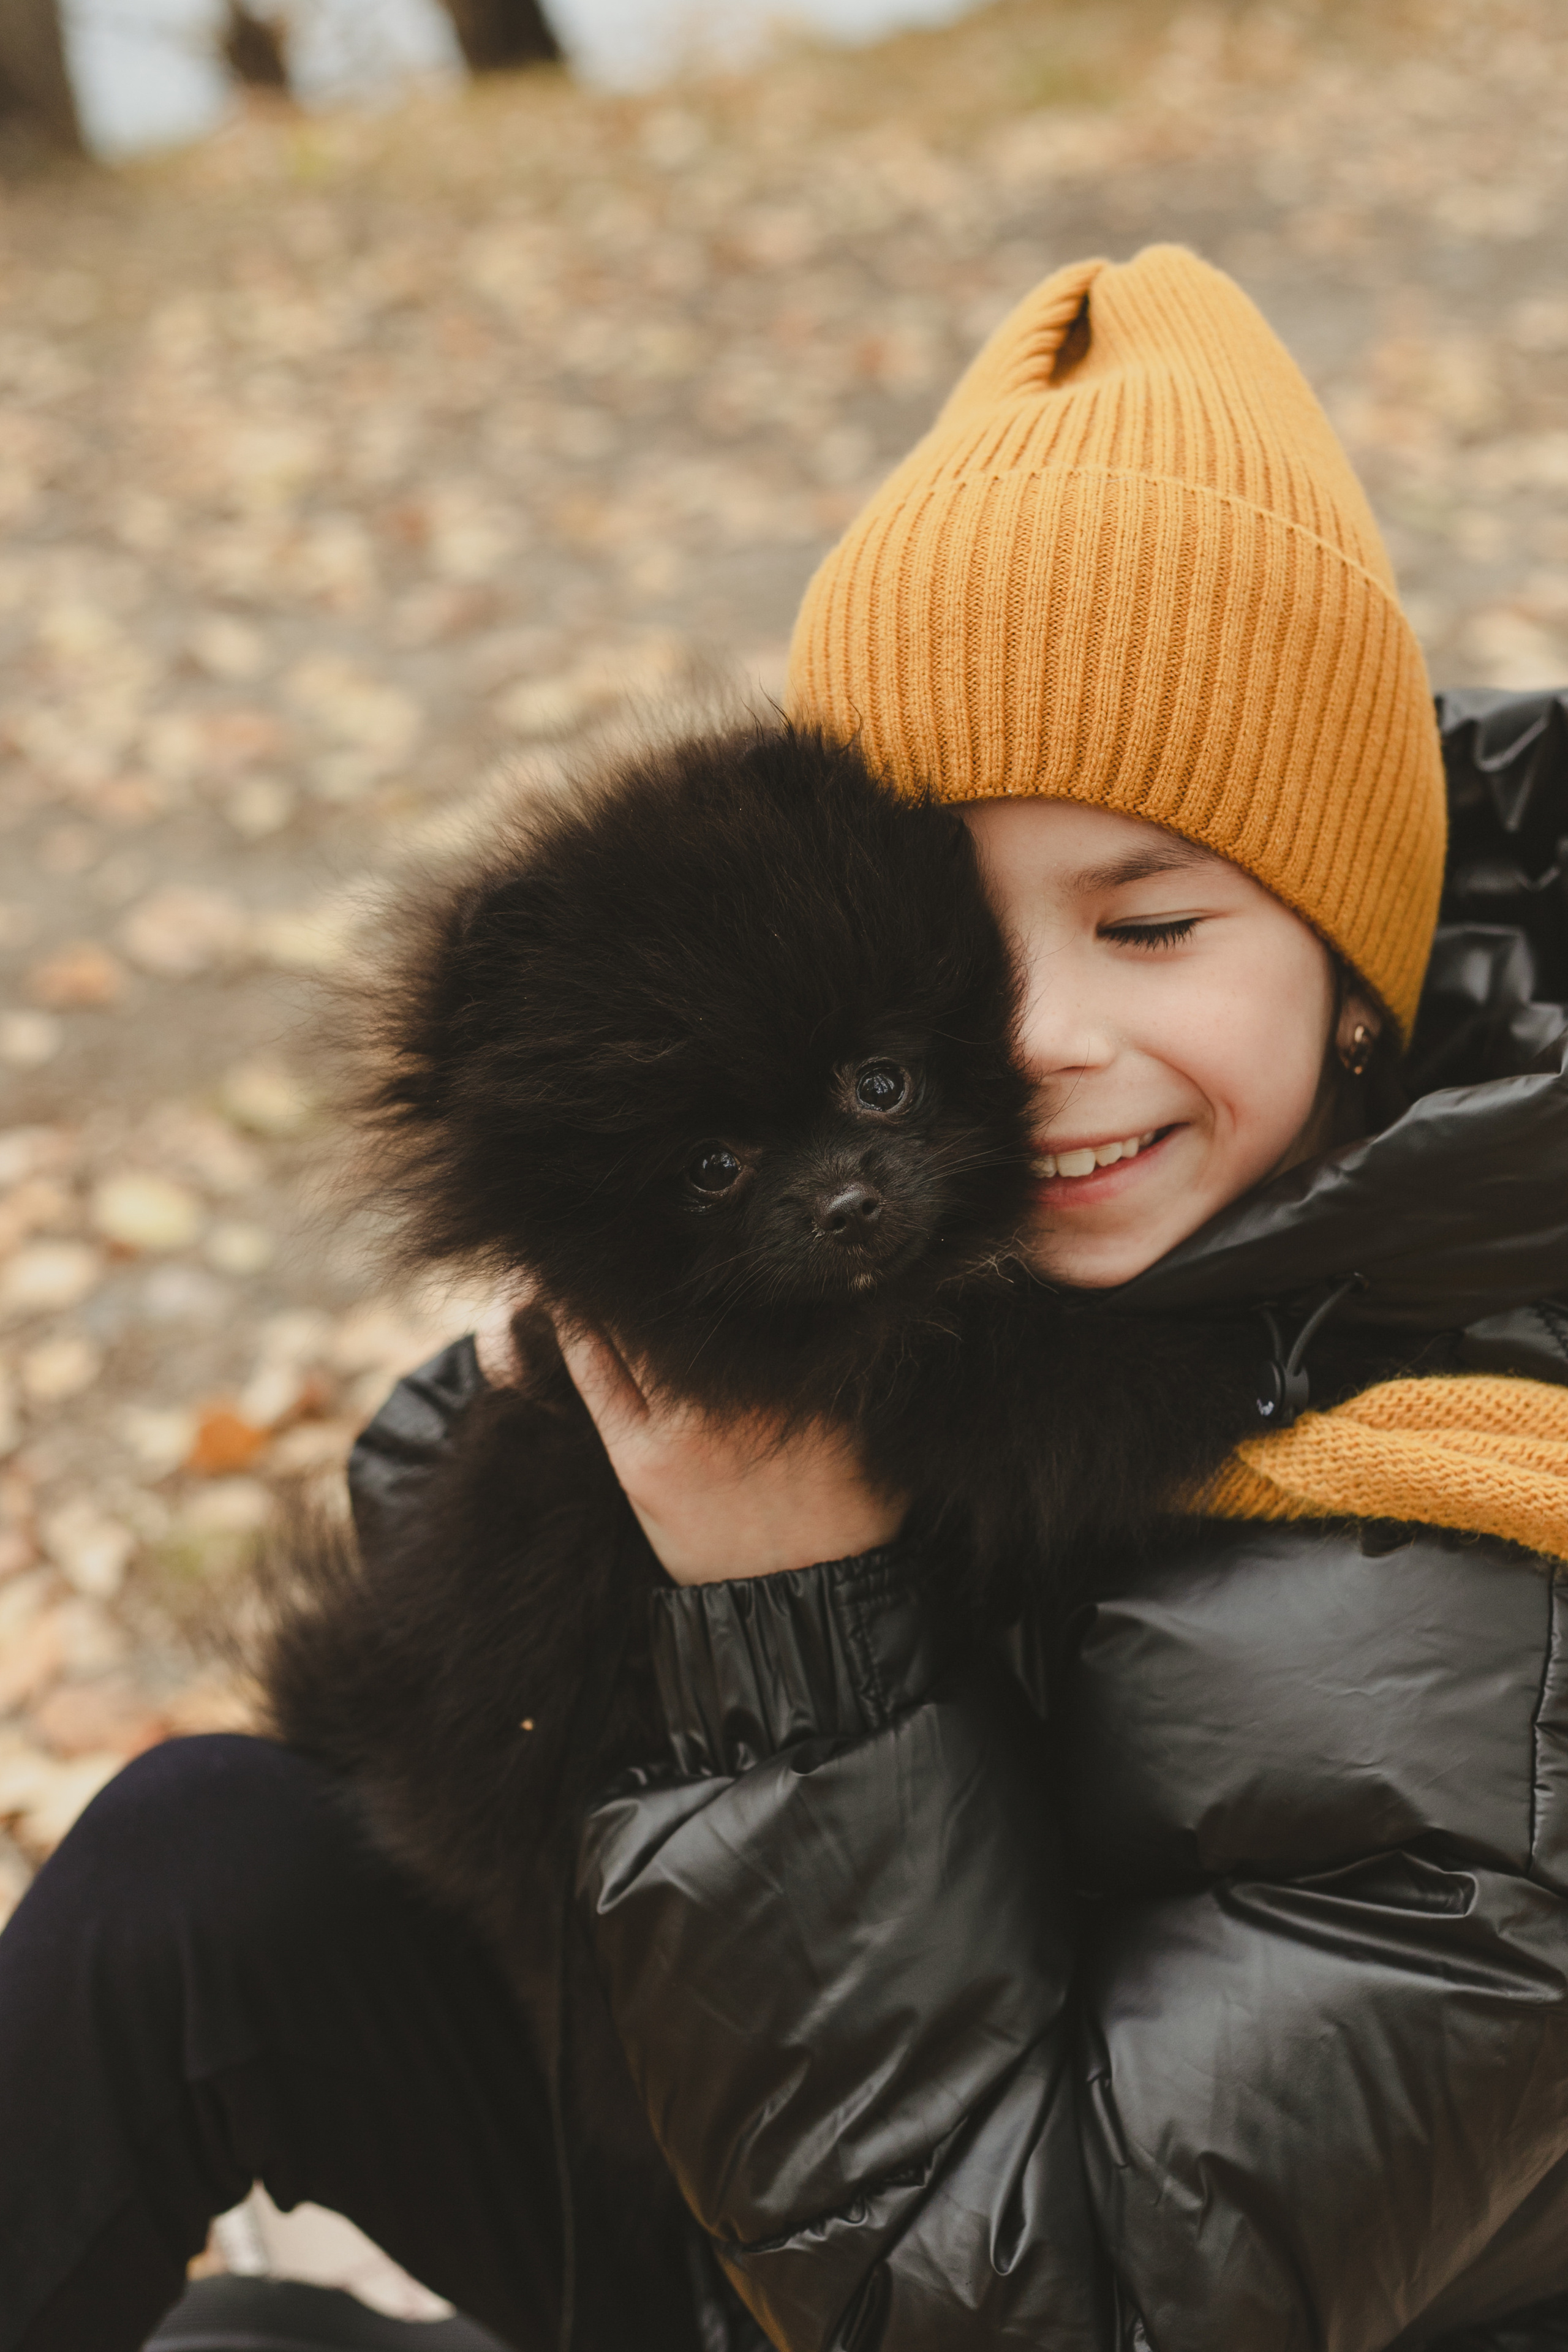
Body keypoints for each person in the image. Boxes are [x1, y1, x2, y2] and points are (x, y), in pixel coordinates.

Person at [4, 246, 1568, 2352]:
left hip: (982, 2288)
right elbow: (477, 1663)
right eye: (953, 945)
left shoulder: (1477, 1600)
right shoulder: (1031, 1217)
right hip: (776, 2159)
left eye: (1152, 920)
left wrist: (791, 1618)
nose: (1037, 1040)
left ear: (1356, 947)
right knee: (199, 1871)